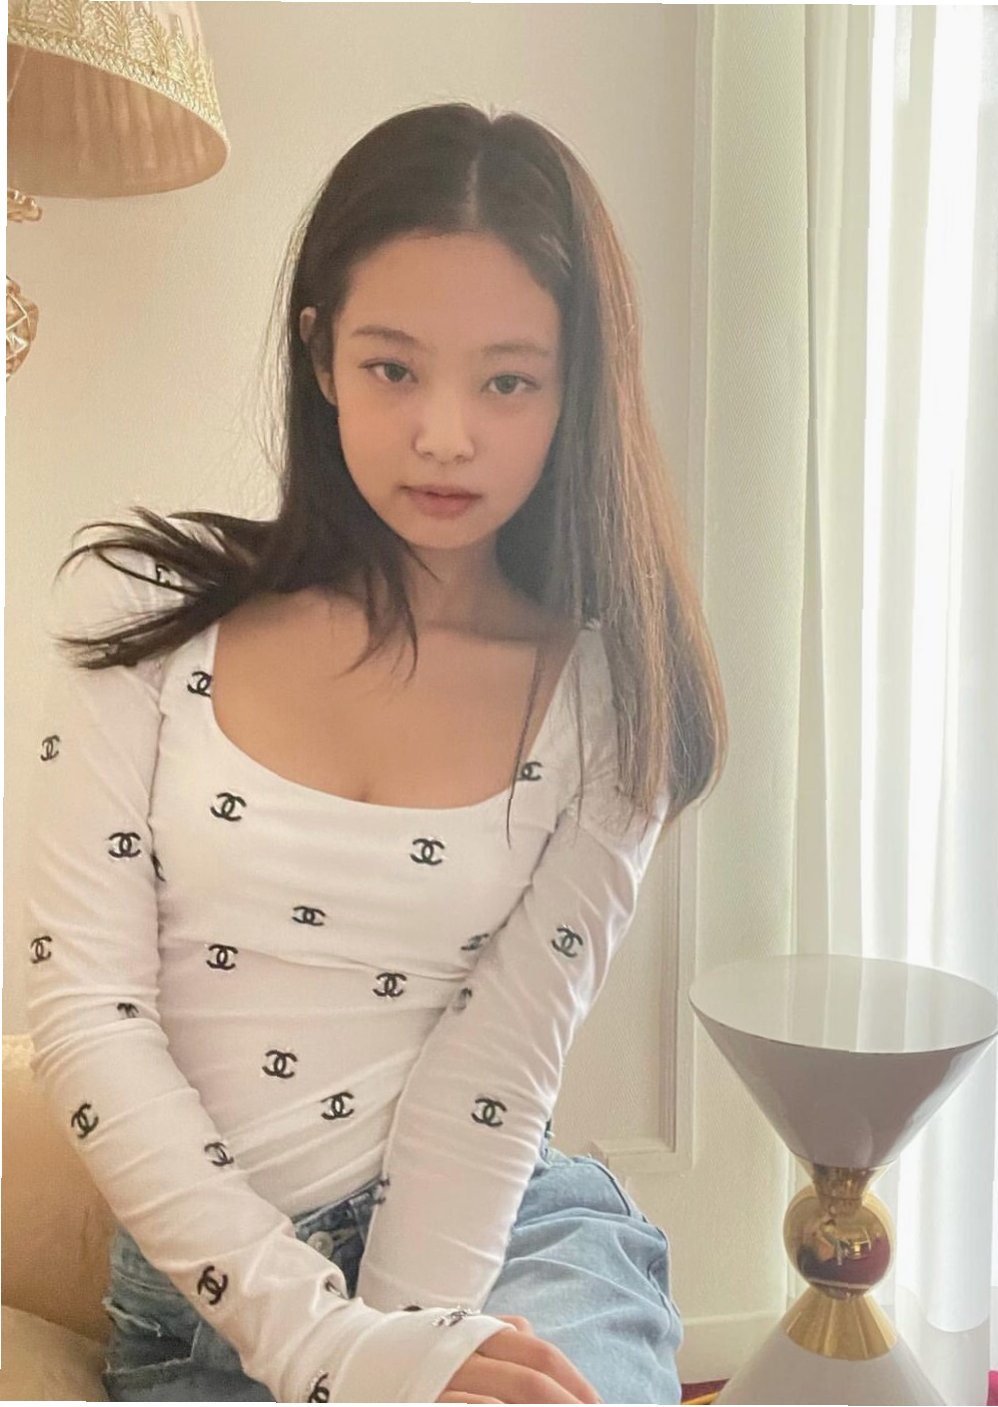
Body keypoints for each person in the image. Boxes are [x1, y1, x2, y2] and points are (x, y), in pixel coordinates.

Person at [24, 101, 728, 1404]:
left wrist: (421, 1345)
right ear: (320, 353)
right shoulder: (142, 613)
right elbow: (87, 1013)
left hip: (507, 1243)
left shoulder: (609, 696)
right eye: (394, 368)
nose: (444, 433)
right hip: (213, 1299)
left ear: (574, 387)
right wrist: (332, 1351)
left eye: (507, 380)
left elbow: (498, 1061)